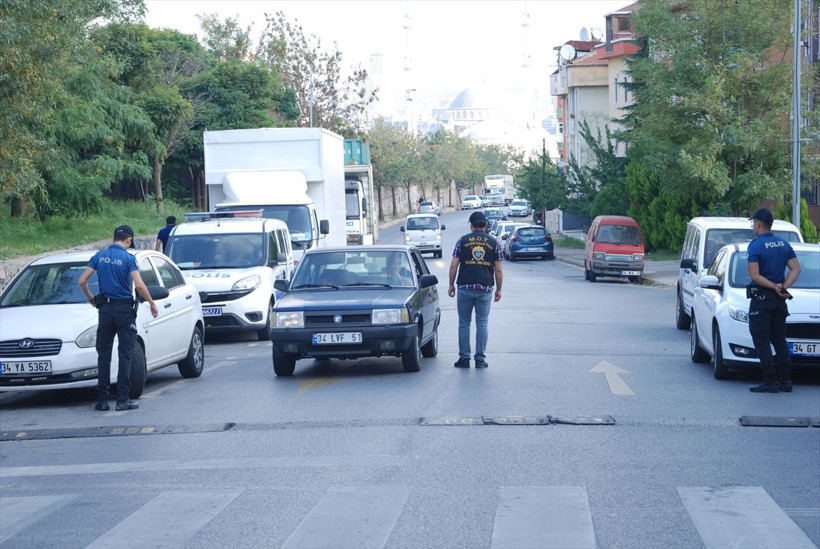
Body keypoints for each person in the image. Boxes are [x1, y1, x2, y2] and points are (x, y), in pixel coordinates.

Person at [79, 225, 159, 411]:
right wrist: (152, 302)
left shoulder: (99, 256)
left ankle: (103, 400)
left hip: (105, 311)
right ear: (129, 240)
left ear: (114, 238)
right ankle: (122, 400)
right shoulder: (128, 259)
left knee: (104, 355)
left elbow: (82, 280)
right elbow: (139, 285)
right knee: (125, 354)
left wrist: (91, 298)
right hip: (123, 311)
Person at [746, 208, 801, 393]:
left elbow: (754, 276)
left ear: (759, 224)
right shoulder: (784, 244)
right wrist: (783, 286)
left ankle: (770, 380)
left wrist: (773, 287)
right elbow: (796, 269)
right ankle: (786, 380)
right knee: (779, 339)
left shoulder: (755, 246)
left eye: (754, 223)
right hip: (780, 300)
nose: (753, 226)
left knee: (761, 339)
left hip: (762, 299)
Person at [448, 211, 503, 369]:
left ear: (471, 226)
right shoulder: (494, 243)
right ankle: (480, 359)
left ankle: (464, 358)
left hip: (465, 287)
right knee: (482, 323)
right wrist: (499, 290)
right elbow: (498, 270)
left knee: (464, 323)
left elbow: (453, 265)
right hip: (484, 288)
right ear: (485, 225)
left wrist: (451, 285)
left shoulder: (462, 241)